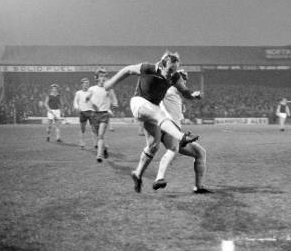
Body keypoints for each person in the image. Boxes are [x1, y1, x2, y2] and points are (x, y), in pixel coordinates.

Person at [104, 50, 200, 192]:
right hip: (139, 102)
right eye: (169, 70)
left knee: (154, 145)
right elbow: (128, 70)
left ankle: (137, 174)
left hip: (151, 110)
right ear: (162, 64)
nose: (171, 74)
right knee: (160, 115)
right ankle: (182, 137)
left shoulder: (175, 77)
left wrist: (193, 95)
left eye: (174, 71)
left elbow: (185, 91)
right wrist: (111, 83)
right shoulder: (148, 68)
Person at [153, 69, 210, 193]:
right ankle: (159, 178)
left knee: (200, 152)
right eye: (183, 79)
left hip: (175, 131)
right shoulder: (168, 90)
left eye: (185, 80)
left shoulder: (176, 95)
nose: (184, 82)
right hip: (168, 127)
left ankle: (198, 187)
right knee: (173, 150)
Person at [86, 69, 119, 162]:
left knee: (100, 135)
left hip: (104, 114)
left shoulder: (109, 89)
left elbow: (115, 101)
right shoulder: (92, 89)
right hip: (94, 115)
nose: (103, 78)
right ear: (96, 78)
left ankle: (99, 155)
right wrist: (91, 103)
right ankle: (104, 149)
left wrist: (114, 106)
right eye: (101, 76)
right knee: (98, 136)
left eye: (104, 76)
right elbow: (87, 99)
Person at [73, 78, 96, 149]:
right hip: (82, 112)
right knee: (82, 128)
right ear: (82, 84)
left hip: (91, 111)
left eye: (87, 83)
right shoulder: (78, 93)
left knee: (94, 128)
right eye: (85, 83)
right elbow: (75, 102)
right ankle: (82, 142)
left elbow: (95, 101)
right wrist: (77, 107)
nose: (86, 84)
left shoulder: (91, 92)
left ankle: (95, 143)